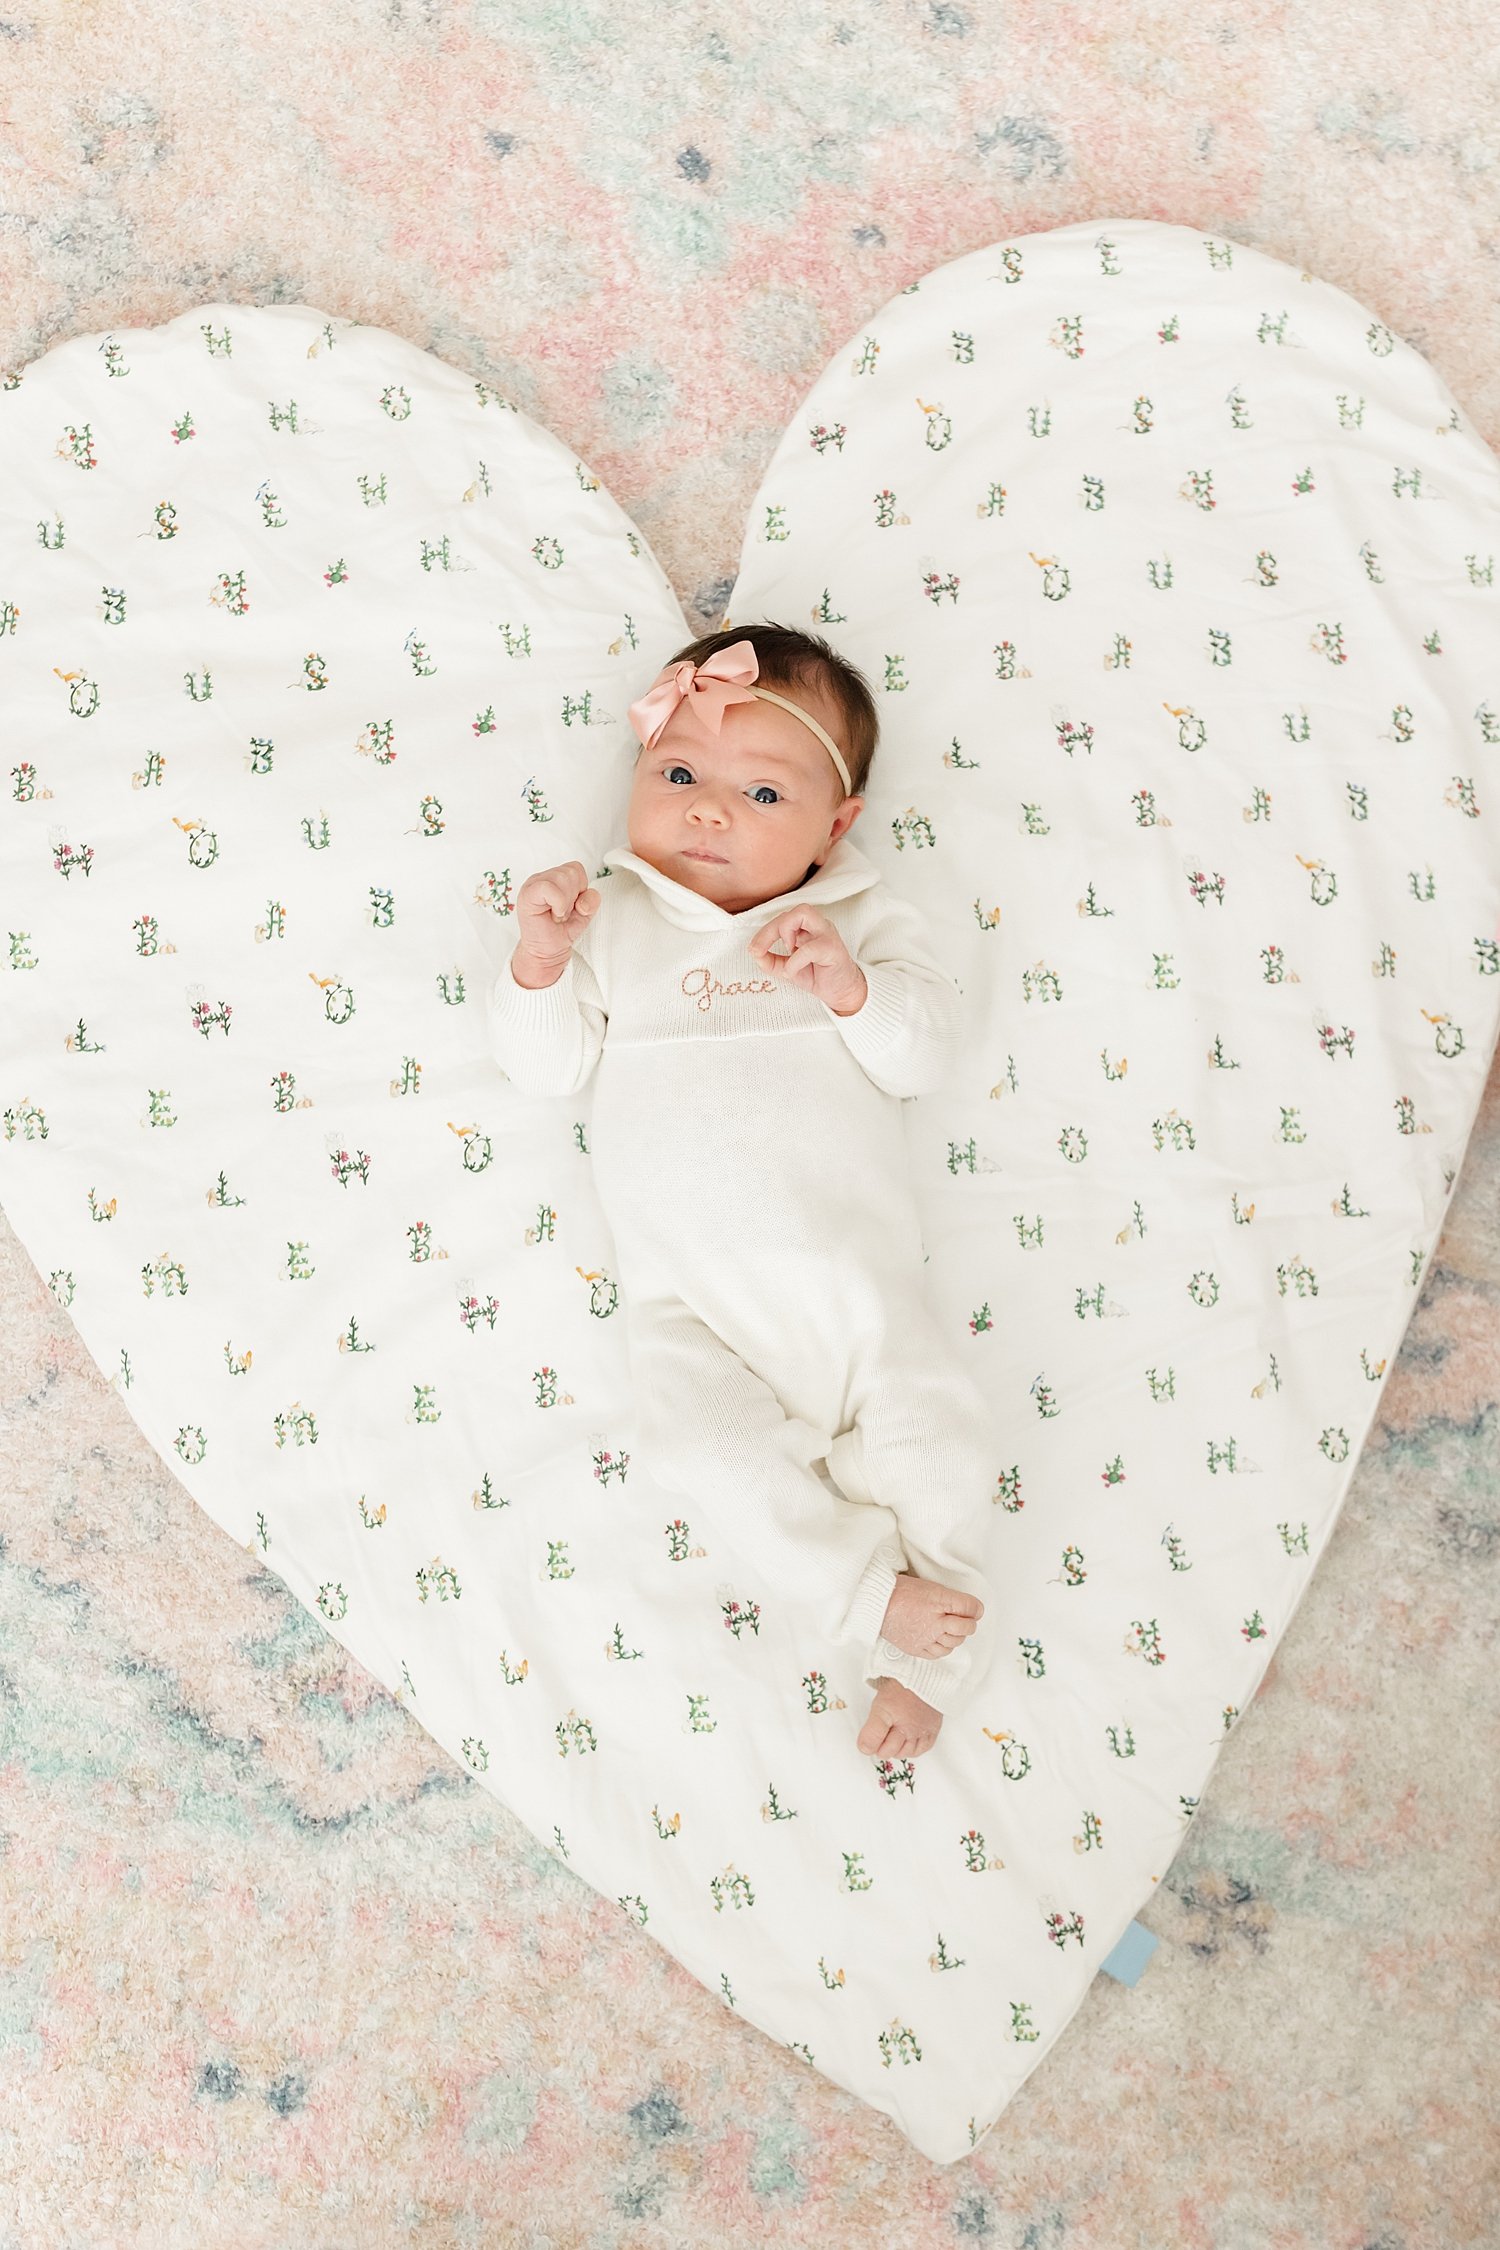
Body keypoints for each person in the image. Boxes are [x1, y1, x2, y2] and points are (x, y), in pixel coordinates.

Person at [489, 623, 998, 1760]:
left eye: (760, 790)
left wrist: (852, 990)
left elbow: (923, 1058)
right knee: (701, 1456)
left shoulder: (860, 922)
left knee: (944, 1450)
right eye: (678, 776)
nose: (708, 811)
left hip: (860, 1294)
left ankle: (927, 1658)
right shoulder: (609, 922)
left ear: (837, 826)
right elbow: (546, 1067)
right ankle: (873, 1599)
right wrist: (538, 963)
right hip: (693, 1310)